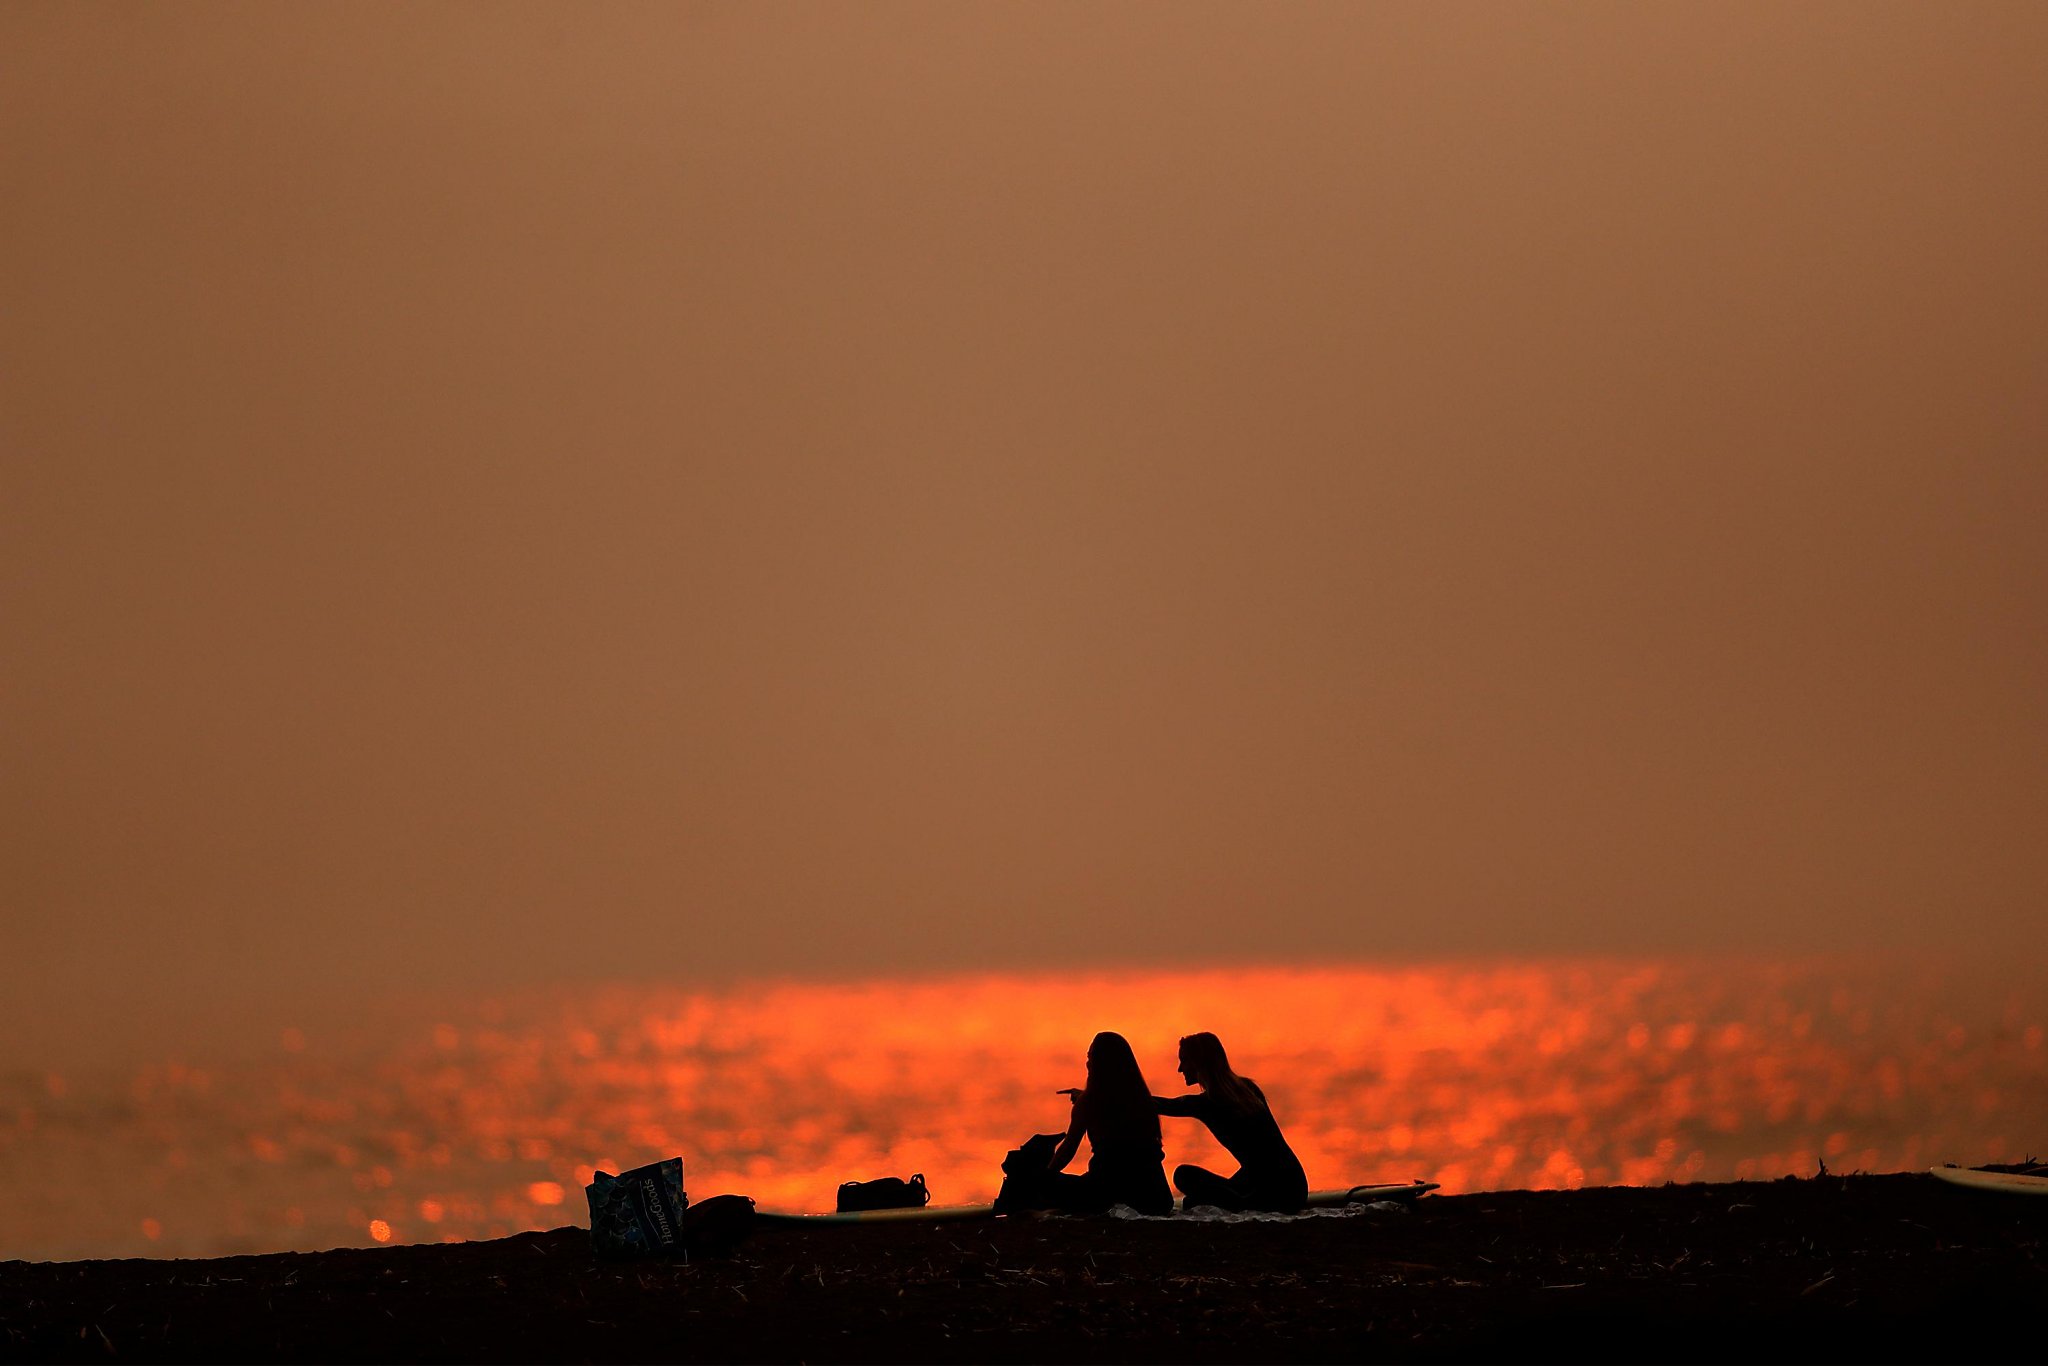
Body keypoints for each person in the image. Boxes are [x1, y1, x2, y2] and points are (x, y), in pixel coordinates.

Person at [994, 1031, 1174, 1216]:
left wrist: (1045, 1179)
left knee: (1028, 1174)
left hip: (1107, 1196)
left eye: (1091, 1057)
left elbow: (1067, 1150)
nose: (1087, 1063)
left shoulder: (1089, 1103)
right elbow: (1113, 1103)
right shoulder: (1143, 1100)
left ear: (1100, 1063)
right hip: (1157, 1199)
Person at [1156, 1031, 1309, 1212]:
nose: (1180, 1069)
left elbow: (1160, 1105)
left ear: (1199, 1062)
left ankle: (1238, 1202)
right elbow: (1262, 1162)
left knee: (1186, 1184)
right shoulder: (1248, 1088)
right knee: (1188, 1178)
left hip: (1275, 1192)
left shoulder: (1206, 1103)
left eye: (1184, 1060)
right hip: (1295, 1185)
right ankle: (1235, 1199)